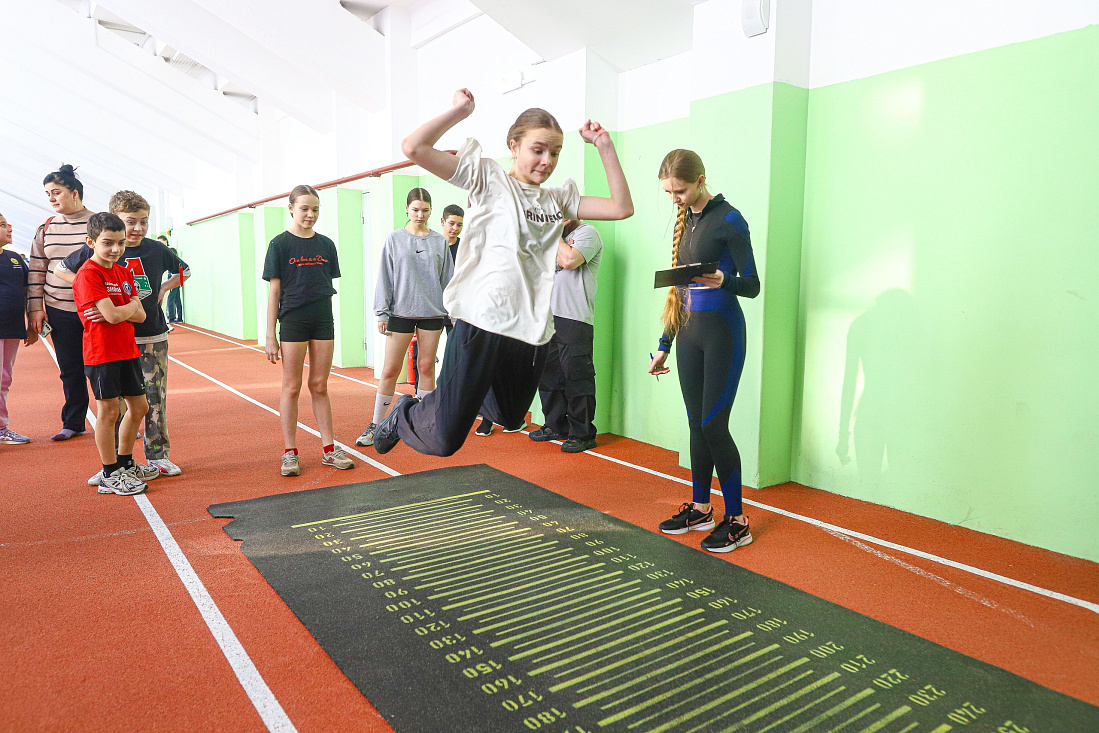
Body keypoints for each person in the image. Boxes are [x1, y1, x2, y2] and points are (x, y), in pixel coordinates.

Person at [371, 88, 633, 456]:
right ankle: (404, 414)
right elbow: (414, 147)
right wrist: (459, 112)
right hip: (480, 320)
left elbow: (621, 207)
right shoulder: (488, 178)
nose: (547, 161)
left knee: (511, 416)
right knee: (445, 441)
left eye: (555, 153)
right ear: (514, 146)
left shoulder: (556, 200)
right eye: (538, 150)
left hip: (528, 328)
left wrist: (604, 145)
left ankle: (459, 397)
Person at [648, 149, 760, 553]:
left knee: (714, 426)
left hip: (722, 335)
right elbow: (679, 291)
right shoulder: (686, 221)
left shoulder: (730, 219)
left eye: (678, 191)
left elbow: (752, 285)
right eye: (668, 192)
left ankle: (738, 521)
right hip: (688, 335)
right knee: (696, 424)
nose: (673, 198)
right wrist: (663, 345)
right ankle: (700, 509)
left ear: (700, 180)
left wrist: (724, 280)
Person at [56, 191, 190, 480]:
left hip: (150, 334)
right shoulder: (99, 253)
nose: (138, 228)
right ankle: (113, 464)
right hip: (111, 342)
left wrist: (163, 289)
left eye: (144, 221)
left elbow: (183, 272)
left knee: (151, 400)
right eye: (131, 222)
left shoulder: (154, 250)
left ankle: (155, 455)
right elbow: (60, 269)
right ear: (115, 221)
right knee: (112, 407)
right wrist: (90, 293)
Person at [263, 184, 355, 476]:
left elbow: (326, 287)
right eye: (304, 209)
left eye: (315, 209)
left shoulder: (326, 245)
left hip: (322, 319)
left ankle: (329, 449)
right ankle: (290, 452)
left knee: (319, 385)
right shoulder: (279, 244)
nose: (310, 214)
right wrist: (270, 334)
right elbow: (274, 291)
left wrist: (328, 320)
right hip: (293, 320)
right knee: (292, 386)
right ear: (291, 208)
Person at [356, 188, 452, 447]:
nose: (420, 215)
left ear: (431, 211)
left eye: (425, 210)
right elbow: (385, 276)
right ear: (407, 209)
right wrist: (382, 311)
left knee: (426, 367)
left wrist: (452, 311)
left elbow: (448, 279)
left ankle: (425, 426)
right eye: (416, 210)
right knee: (390, 369)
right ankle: (376, 425)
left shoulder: (439, 241)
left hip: (432, 313)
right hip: (400, 313)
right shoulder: (395, 239)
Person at [71, 213, 154, 496]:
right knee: (108, 411)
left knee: (139, 407)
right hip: (102, 352)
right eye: (108, 243)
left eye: (120, 243)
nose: (116, 249)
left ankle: (125, 462)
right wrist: (126, 308)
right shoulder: (88, 274)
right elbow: (114, 315)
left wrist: (122, 310)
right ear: (91, 242)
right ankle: (110, 473)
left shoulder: (123, 272)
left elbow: (140, 315)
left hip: (126, 349)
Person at [27, 164, 95, 441]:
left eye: (56, 192)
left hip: (96, 309)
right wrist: (35, 308)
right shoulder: (46, 228)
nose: (51, 198)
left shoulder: (99, 223)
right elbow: (36, 270)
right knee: (70, 369)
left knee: (104, 368)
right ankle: (74, 422)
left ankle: (117, 421)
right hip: (59, 309)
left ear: (74, 193)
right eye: (48, 194)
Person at [528, 219, 603, 452]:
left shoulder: (587, 233)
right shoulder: (551, 238)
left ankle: (582, 433)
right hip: (547, 316)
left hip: (574, 316)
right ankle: (555, 425)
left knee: (577, 375)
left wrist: (554, 234)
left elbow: (569, 260)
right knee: (548, 374)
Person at [0, 213, 38, 445]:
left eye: (7, 224)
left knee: (5, 379)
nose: (9, 229)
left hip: (12, 328)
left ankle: (1, 427)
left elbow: (27, 293)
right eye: (2, 225)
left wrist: (31, 325)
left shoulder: (14, 259)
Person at [159, 235, 184, 326]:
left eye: (161, 242)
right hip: (168, 278)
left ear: (166, 241)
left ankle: (172, 318)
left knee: (173, 298)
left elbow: (182, 270)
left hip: (173, 277)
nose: (160, 244)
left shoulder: (170, 251)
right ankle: (173, 317)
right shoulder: (160, 252)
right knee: (173, 298)